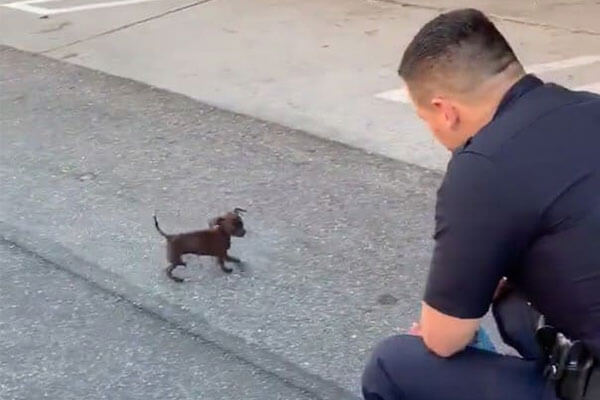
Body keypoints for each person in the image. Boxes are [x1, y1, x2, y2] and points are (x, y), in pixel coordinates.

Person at [361, 8, 600, 400]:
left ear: (445, 110)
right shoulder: (588, 107)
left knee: (392, 365)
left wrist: (452, 318)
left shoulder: (483, 168)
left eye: (426, 119)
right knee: (512, 303)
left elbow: (443, 339)